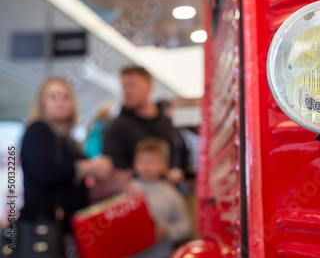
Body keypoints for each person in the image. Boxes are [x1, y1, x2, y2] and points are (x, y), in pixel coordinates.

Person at [18, 76, 113, 256]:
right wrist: (89, 167)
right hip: (45, 230)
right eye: (53, 96)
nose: (60, 102)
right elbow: (46, 172)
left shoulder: (67, 141)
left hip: (65, 232)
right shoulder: (38, 130)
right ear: (42, 103)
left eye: (65, 96)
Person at [102, 66, 189, 183]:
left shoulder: (168, 125)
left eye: (132, 85)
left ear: (149, 87)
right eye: (123, 86)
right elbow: (113, 167)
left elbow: (182, 158)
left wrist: (177, 174)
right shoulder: (116, 128)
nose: (126, 92)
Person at [130, 138, 191, 258]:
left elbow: (186, 226)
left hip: (162, 254)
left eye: (152, 161)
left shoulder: (171, 193)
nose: (146, 166)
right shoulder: (126, 189)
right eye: (142, 161)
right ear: (134, 163)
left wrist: (166, 231)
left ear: (164, 166)